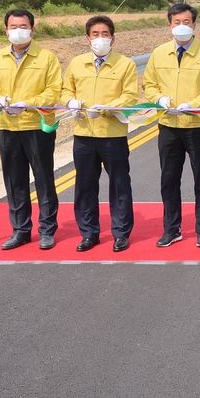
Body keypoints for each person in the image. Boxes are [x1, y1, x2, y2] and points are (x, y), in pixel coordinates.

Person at [142, 2, 200, 248]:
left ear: (194, 25)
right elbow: (149, 84)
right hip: (168, 125)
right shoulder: (159, 53)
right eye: (176, 22)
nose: (181, 26)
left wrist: (194, 104)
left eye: (186, 22)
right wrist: (159, 99)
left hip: (196, 124)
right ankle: (172, 229)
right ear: (169, 25)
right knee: (169, 179)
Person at [0, 9, 62, 250]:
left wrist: (27, 103)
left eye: (23, 26)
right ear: (5, 30)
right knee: (15, 181)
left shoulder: (46, 58)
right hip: (7, 126)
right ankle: (20, 230)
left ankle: (47, 230)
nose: (18, 31)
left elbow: (54, 90)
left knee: (44, 179)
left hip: (37, 125)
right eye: (13, 27)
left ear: (33, 29)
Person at [61, 15, 138, 253]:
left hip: (112, 133)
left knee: (119, 184)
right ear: (87, 39)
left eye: (105, 34)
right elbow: (65, 91)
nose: (100, 38)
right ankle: (89, 233)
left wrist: (108, 107)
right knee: (85, 185)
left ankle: (121, 233)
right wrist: (71, 102)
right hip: (84, 134)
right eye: (95, 34)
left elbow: (130, 96)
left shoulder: (125, 64)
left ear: (113, 38)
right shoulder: (77, 64)